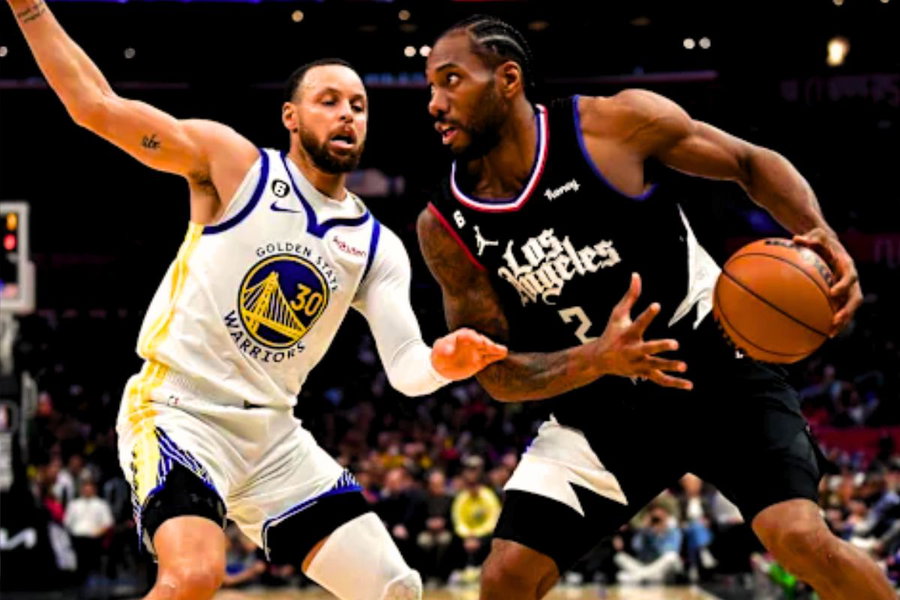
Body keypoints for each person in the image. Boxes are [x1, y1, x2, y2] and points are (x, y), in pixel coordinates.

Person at [8, 3, 509, 600]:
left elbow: (405, 369)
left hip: (273, 436)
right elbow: (95, 106)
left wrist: (442, 362)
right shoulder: (233, 165)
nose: (346, 114)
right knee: (194, 578)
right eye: (329, 101)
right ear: (290, 116)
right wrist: (29, 7)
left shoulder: (378, 246)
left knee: (395, 588)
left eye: (358, 105)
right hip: (180, 413)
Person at [417, 14, 889, 600]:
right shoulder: (446, 226)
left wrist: (821, 233)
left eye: (451, 80)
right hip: (601, 405)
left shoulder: (611, 128)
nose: (435, 103)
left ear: (507, 79)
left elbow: (749, 162)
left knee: (799, 538)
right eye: (430, 86)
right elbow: (496, 374)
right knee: (506, 575)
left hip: (716, 367)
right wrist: (597, 359)